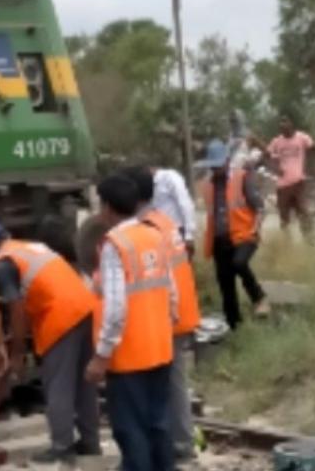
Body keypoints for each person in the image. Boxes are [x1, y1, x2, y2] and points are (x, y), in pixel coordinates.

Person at [0, 222, 100, 463]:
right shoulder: (33, 247)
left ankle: (61, 446)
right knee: (84, 384)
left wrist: (17, 354)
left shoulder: (4, 263)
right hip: (86, 307)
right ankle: (90, 442)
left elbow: (17, 309)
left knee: (58, 385)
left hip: (61, 317)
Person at [84, 174, 177, 471]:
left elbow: (115, 309)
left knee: (130, 430)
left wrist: (101, 356)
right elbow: (171, 293)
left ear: (108, 207)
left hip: (128, 357)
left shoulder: (115, 245)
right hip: (160, 350)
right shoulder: (154, 235)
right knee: (159, 425)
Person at [128, 166, 202, 461]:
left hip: (170, 315)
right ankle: (177, 441)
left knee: (171, 385)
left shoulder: (148, 227)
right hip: (180, 310)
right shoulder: (165, 222)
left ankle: (181, 445)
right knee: (173, 383)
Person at [200, 139, 269, 328]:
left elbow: (260, 207)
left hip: (244, 236)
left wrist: (256, 227)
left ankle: (259, 297)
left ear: (227, 161)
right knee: (225, 284)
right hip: (220, 240)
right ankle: (234, 327)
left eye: (218, 165)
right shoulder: (207, 185)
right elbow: (211, 215)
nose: (215, 170)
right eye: (212, 167)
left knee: (239, 263)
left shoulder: (242, 178)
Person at [266, 115, 315, 240]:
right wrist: (275, 167)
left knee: (303, 213)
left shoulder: (302, 137)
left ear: (291, 124)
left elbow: (313, 150)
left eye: (285, 122)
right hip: (282, 185)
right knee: (284, 218)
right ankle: (287, 245)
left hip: (298, 182)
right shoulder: (276, 141)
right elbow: (267, 156)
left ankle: (309, 241)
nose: (283, 126)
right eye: (281, 125)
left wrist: (309, 168)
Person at [150, 164, 198, 258]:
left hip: (177, 231)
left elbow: (185, 204)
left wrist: (189, 235)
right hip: (160, 233)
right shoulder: (148, 184)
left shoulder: (169, 177)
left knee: (181, 265)